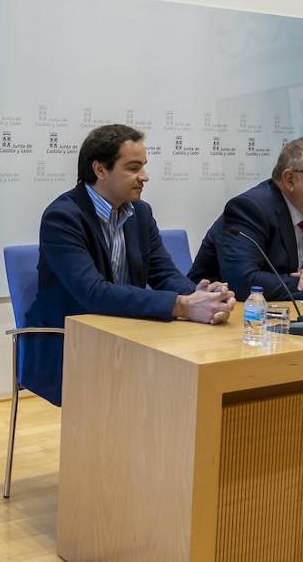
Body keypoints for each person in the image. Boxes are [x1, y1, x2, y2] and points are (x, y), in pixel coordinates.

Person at [23, 124, 235, 407]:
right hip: (71, 342)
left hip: (128, 333)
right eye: (133, 168)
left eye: (144, 167)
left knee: (192, 382)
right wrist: (183, 305)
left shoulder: (140, 212)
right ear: (100, 169)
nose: (144, 177)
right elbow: (93, 293)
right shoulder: (62, 217)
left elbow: (164, 273)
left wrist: (201, 294)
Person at [189, 137, 303, 300]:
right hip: (222, 314)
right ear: (290, 180)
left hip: (291, 311)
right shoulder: (250, 209)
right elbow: (243, 280)